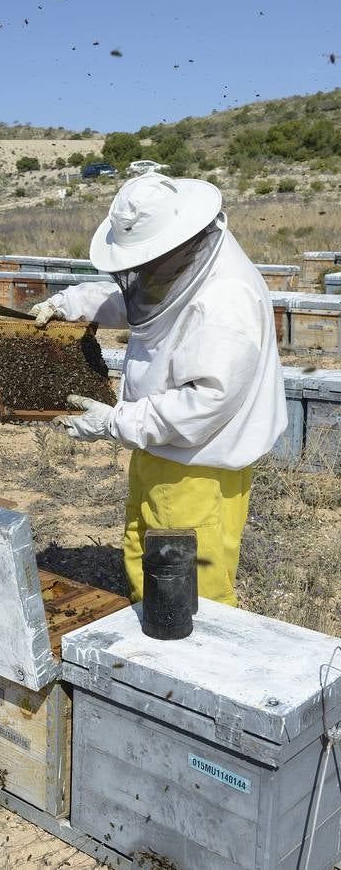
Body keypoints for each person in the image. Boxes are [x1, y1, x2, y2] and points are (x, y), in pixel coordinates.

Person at [30, 173, 287, 607]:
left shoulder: (225, 301)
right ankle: (149, 634)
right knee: (143, 547)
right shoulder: (186, 263)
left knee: (188, 591)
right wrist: (67, 303)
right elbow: (141, 298)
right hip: (163, 445)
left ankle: (188, 649)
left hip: (194, 466)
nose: (142, 270)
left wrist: (114, 422)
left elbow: (205, 402)